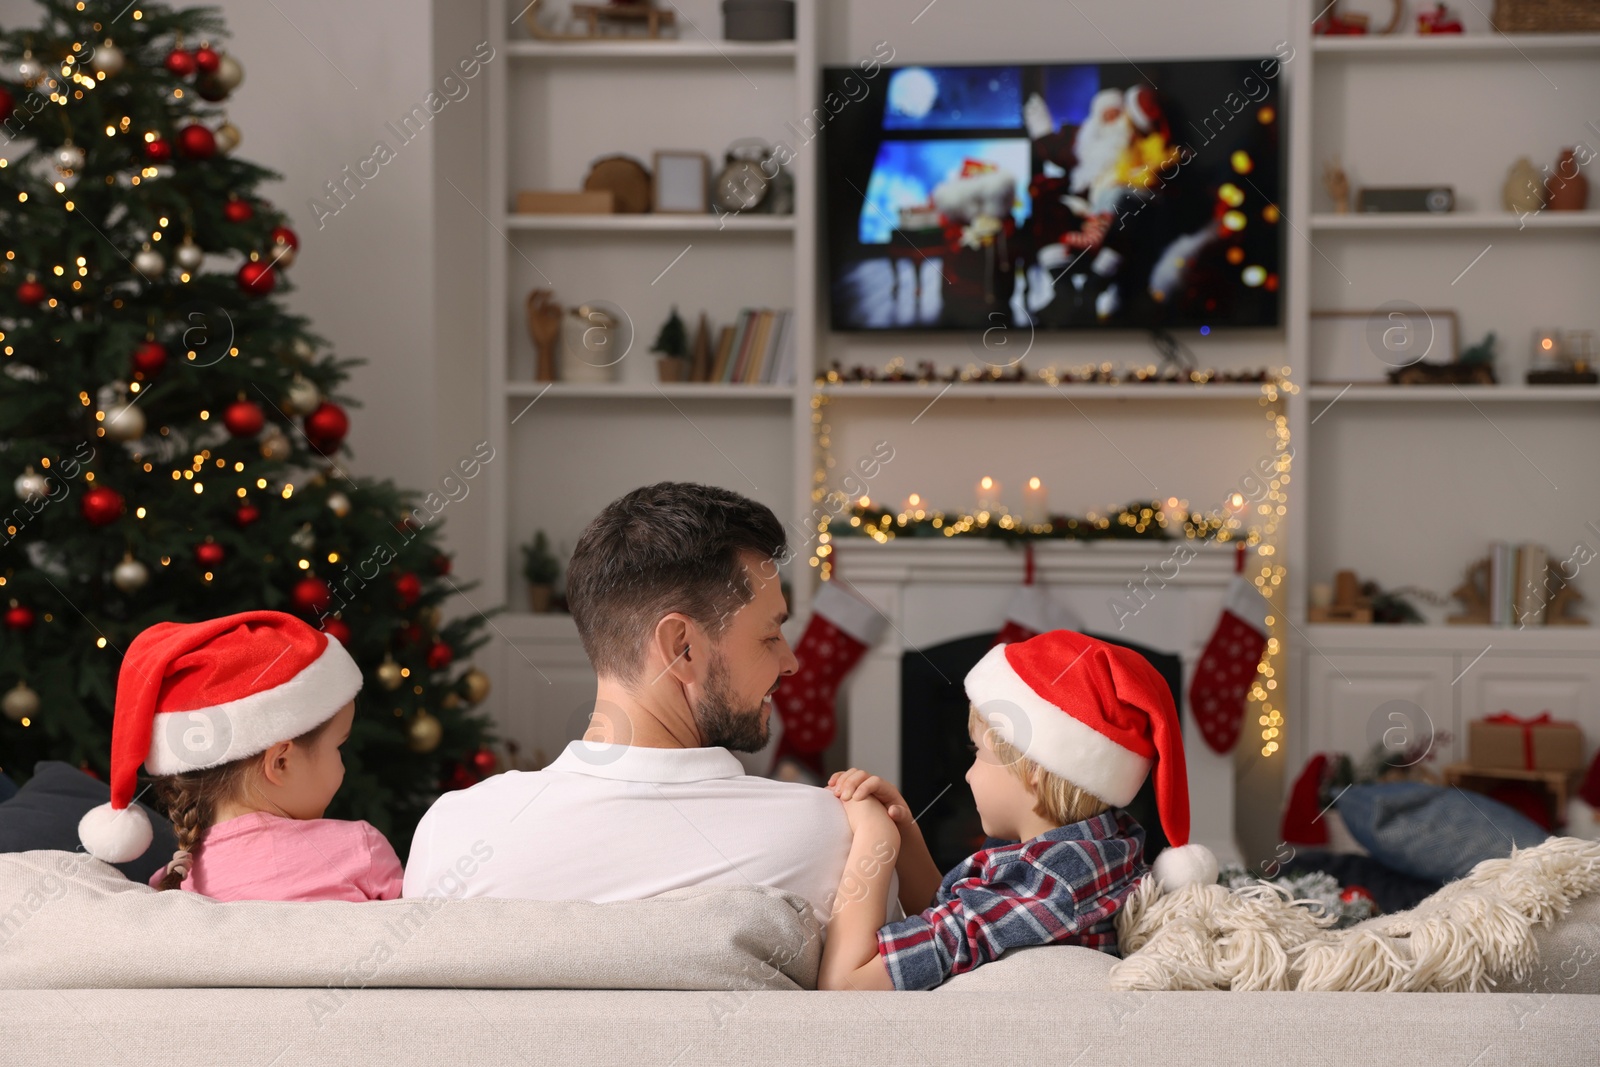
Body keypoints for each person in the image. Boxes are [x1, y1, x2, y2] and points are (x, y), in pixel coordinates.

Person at [403, 482, 895, 923]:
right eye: (771, 636)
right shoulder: (830, 837)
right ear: (682, 647)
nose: (791, 664)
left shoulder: (453, 833)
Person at [816, 629, 1217, 990]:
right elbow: (959, 924)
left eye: (978, 753)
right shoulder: (1104, 849)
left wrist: (874, 835)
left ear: (1032, 771)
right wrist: (905, 836)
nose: (969, 776)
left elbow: (847, 986)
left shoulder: (1049, 885)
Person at [77, 610, 403, 902]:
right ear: (281, 762)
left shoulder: (173, 887)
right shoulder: (361, 850)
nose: (343, 767)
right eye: (338, 747)